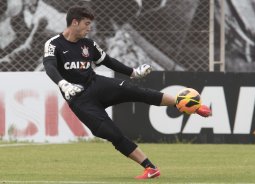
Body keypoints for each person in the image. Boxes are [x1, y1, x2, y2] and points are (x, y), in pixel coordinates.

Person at [43, 6, 211, 179]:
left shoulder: (88, 44)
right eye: (86, 24)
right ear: (75, 22)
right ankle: (150, 168)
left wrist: (133, 72)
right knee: (113, 134)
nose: (90, 27)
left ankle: (187, 104)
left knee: (136, 91)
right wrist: (63, 84)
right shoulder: (53, 44)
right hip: (80, 100)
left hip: (96, 84)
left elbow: (107, 61)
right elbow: (49, 67)